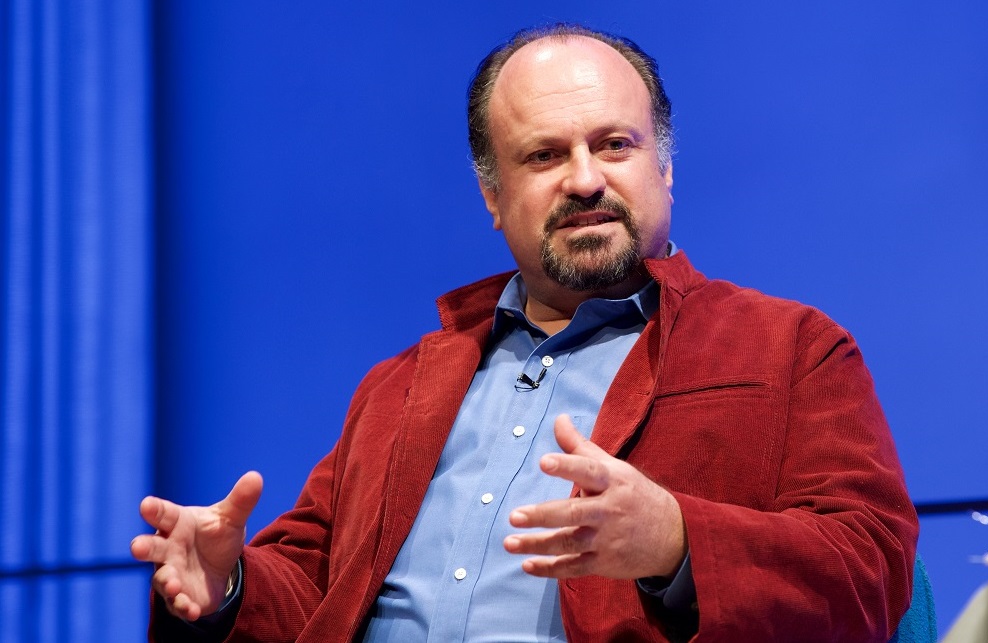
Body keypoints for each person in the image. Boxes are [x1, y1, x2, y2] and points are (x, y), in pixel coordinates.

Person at [131, 23, 919, 642]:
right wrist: (228, 584)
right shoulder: (399, 386)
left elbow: (872, 571)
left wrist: (679, 542)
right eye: (544, 154)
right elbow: (312, 589)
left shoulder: (788, 348)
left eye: (614, 143)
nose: (583, 179)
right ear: (492, 195)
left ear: (665, 168)